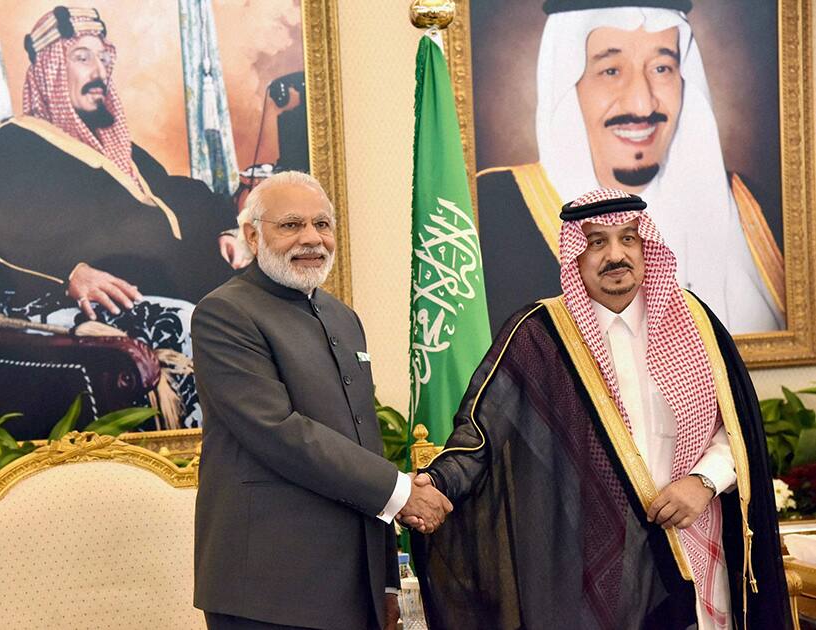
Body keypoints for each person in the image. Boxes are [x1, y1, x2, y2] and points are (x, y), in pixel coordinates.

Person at [410, 188, 789, 629]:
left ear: (646, 246)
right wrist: (436, 484)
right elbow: (481, 432)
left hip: (699, 540)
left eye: (629, 238)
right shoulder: (541, 335)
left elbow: (737, 426)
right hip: (594, 563)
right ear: (575, 254)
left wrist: (704, 482)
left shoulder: (695, 321)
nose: (616, 255)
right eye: (597, 242)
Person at [191, 171, 453, 629]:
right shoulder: (225, 313)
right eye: (291, 225)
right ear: (253, 235)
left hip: (355, 589)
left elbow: (361, 445)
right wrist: (401, 492)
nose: (312, 238)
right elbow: (282, 432)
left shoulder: (342, 317)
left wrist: (386, 583)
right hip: (268, 592)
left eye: (322, 225)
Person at [0, 6, 244, 427]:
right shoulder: (15, 145)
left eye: (103, 57)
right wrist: (67, 272)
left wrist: (227, 227)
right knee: (190, 322)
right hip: (84, 303)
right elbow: (11, 229)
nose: (99, 70)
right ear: (50, 70)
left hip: (179, 289)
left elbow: (177, 194)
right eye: (82, 57)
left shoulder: (115, 147)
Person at [477, 0, 783, 335]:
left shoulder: (757, 209)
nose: (641, 103)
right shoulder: (494, 215)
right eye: (611, 70)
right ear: (568, 84)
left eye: (662, 68)